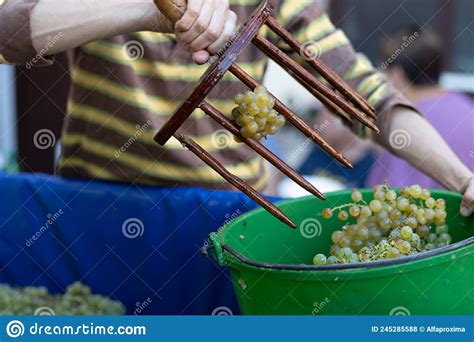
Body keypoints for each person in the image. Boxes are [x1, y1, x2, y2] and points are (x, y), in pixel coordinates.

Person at [1, 0, 473, 216]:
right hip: (97, 212)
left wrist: (462, 179)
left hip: (229, 217)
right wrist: (144, 9)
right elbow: (8, 31)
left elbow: (369, 98)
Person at [367, 26, 474, 194]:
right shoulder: (467, 106)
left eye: (382, 71)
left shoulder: (403, 124)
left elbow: (385, 200)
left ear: (396, 75)